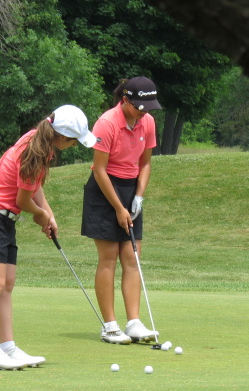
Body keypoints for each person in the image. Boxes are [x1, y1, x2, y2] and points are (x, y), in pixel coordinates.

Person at [0, 105, 97, 369]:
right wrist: (39, 214)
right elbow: (23, 200)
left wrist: (49, 214)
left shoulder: (39, 142)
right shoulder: (33, 153)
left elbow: (33, 187)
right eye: (74, 140)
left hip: (3, 221)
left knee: (7, 285)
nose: (74, 145)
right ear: (62, 136)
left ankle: (7, 348)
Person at [81, 76, 162, 345]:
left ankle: (134, 322)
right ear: (125, 100)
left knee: (132, 257)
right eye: (139, 107)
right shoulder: (106, 123)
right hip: (105, 189)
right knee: (109, 257)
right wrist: (118, 207)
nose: (144, 112)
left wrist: (138, 196)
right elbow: (100, 169)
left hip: (130, 188)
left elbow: (145, 163)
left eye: (148, 107)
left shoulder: (147, 121)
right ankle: (110, 326)